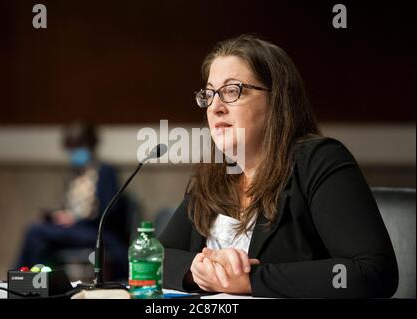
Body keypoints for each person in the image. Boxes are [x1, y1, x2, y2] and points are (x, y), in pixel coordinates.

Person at [159, 34, 398, 298]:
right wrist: (197, 269)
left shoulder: (319, 160)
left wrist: (250, 280)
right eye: (210, 94)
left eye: (231, 90)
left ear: (277, 100)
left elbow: (374, 272)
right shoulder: (213, 174)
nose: (215, 107)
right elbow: (154, 258)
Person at [16, 122, 130, 280]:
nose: (73, 153)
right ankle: (36, 283)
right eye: (71, 148)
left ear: (90, 145)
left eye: (77, 146)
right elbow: (70, 207)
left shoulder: (105, 172)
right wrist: (58, 216)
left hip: (96, 232)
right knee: (40, 240)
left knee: (34, 231)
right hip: (75, 230)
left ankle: (22, 279)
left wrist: (75, 219)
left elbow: (110, 210)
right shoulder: (75, 175)